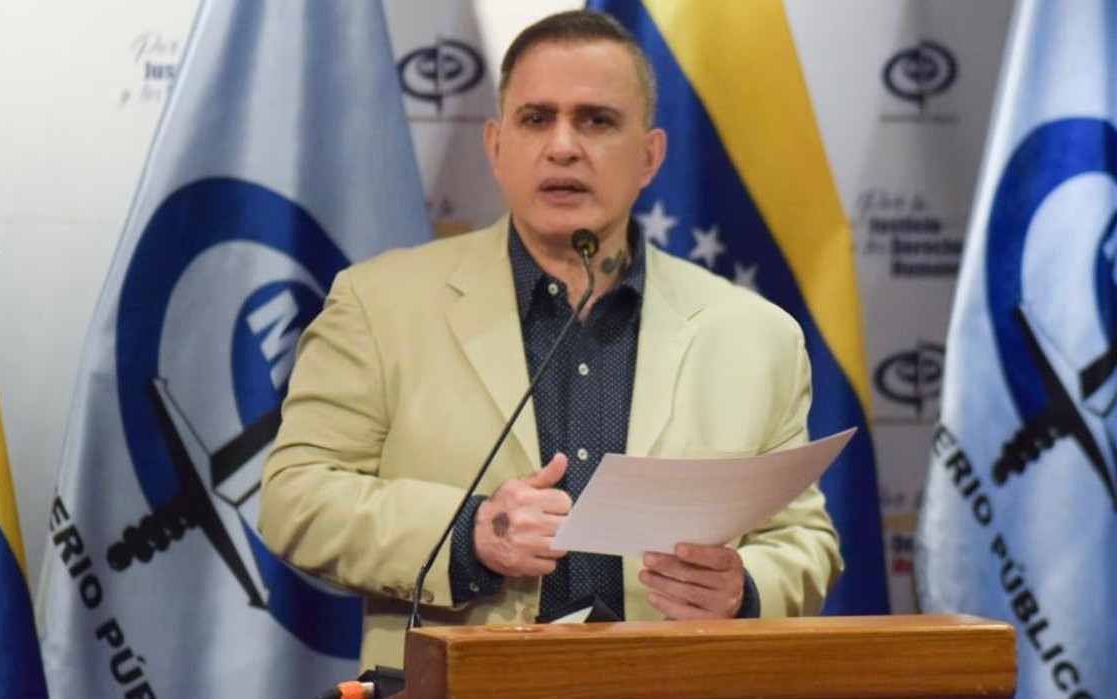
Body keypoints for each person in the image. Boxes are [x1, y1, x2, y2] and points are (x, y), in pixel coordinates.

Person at [259, 9, 843, 671]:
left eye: (597, 120)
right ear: (496, 145)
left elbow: (803, 538)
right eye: (536, 118)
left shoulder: (754, 335)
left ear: (650, 156)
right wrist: (469, 532)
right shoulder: (380, 305)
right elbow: (295, 496)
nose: (563, 146)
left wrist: (743, 589)